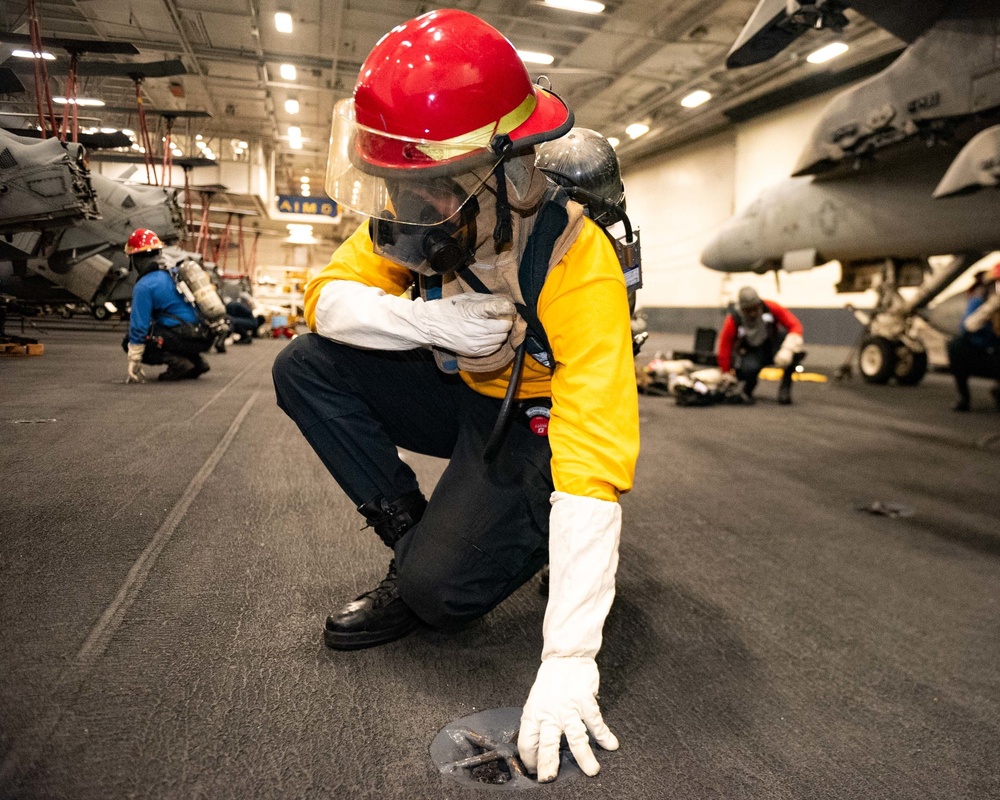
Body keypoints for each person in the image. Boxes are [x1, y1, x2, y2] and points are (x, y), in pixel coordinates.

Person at [271, 10, 638, 784]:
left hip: (536, 421)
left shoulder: (578, 260)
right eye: (402, 186)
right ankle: (414, 549)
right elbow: (326, 300)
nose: (411, 208)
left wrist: (571, 653)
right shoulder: (420, 215)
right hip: (465, 392)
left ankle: (489, 547)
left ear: (505, 171)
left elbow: (595, 456)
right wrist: (424, 319)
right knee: (306, 366)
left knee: (446, 596)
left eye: (432, 186)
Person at [122, 228, 211, 382]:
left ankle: (179, 364)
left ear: (134, 259)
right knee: (169, 326)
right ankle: (197, 363)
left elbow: (139, 326)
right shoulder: (174, 273)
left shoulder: (144, 285)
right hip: (205, 337)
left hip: (182, 338)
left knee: (129, 340)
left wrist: (134, 359)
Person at [716, 286, 804, 404]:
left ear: (758, 304)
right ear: (742, 308)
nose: (752, 313)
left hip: (772, 346)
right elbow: (725, 346)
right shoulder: (734, 319)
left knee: (795, 354)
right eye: (748, 310)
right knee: (746, 370)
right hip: (753, 351)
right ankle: (748, 390)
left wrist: (787, 349)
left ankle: (785, 389)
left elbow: (795, 325)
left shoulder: (770, 307)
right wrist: (725, 372)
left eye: (754, 308)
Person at [947, 264, 1000, 411]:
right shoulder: (980, 303)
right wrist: (991, 307)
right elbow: (969, 326)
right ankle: (963, 397)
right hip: (982, 354)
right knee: (955, 345)